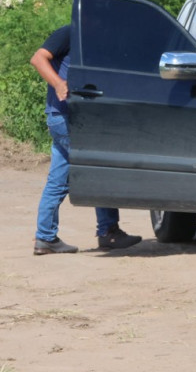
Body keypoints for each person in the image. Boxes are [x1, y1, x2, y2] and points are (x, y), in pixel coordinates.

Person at [31, 25, 142, 255]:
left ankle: (45, 237)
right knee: (99, 167)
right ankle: (108, 231)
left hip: (75, 117)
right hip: (66, 117)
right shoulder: (69, 33)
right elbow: (38, 58)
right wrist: (58, 83)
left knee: (58, 179)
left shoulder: (98, 40)